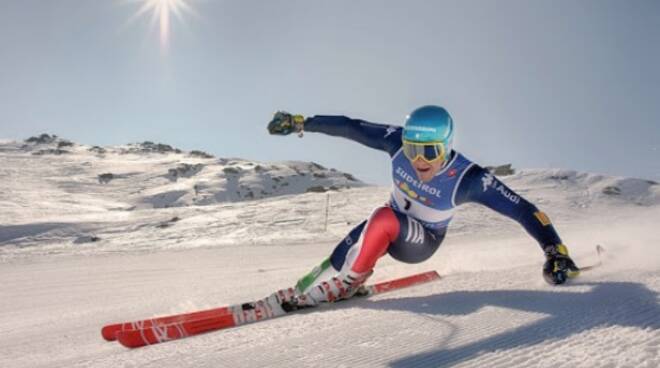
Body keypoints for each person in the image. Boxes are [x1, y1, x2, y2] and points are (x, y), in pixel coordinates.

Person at [266, 105, 580, 310]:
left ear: (446, 147)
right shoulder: (396, 142)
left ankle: (349, 283)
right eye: (413, 149)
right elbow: (351, 127)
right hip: (387, 226)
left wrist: (555, 251)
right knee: (350, 244)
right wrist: (301, 123)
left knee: (382, 218)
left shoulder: (469, 179)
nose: (418, 160)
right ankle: (302, 287)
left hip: (422, 242)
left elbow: (525, 210)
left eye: (429, 152)